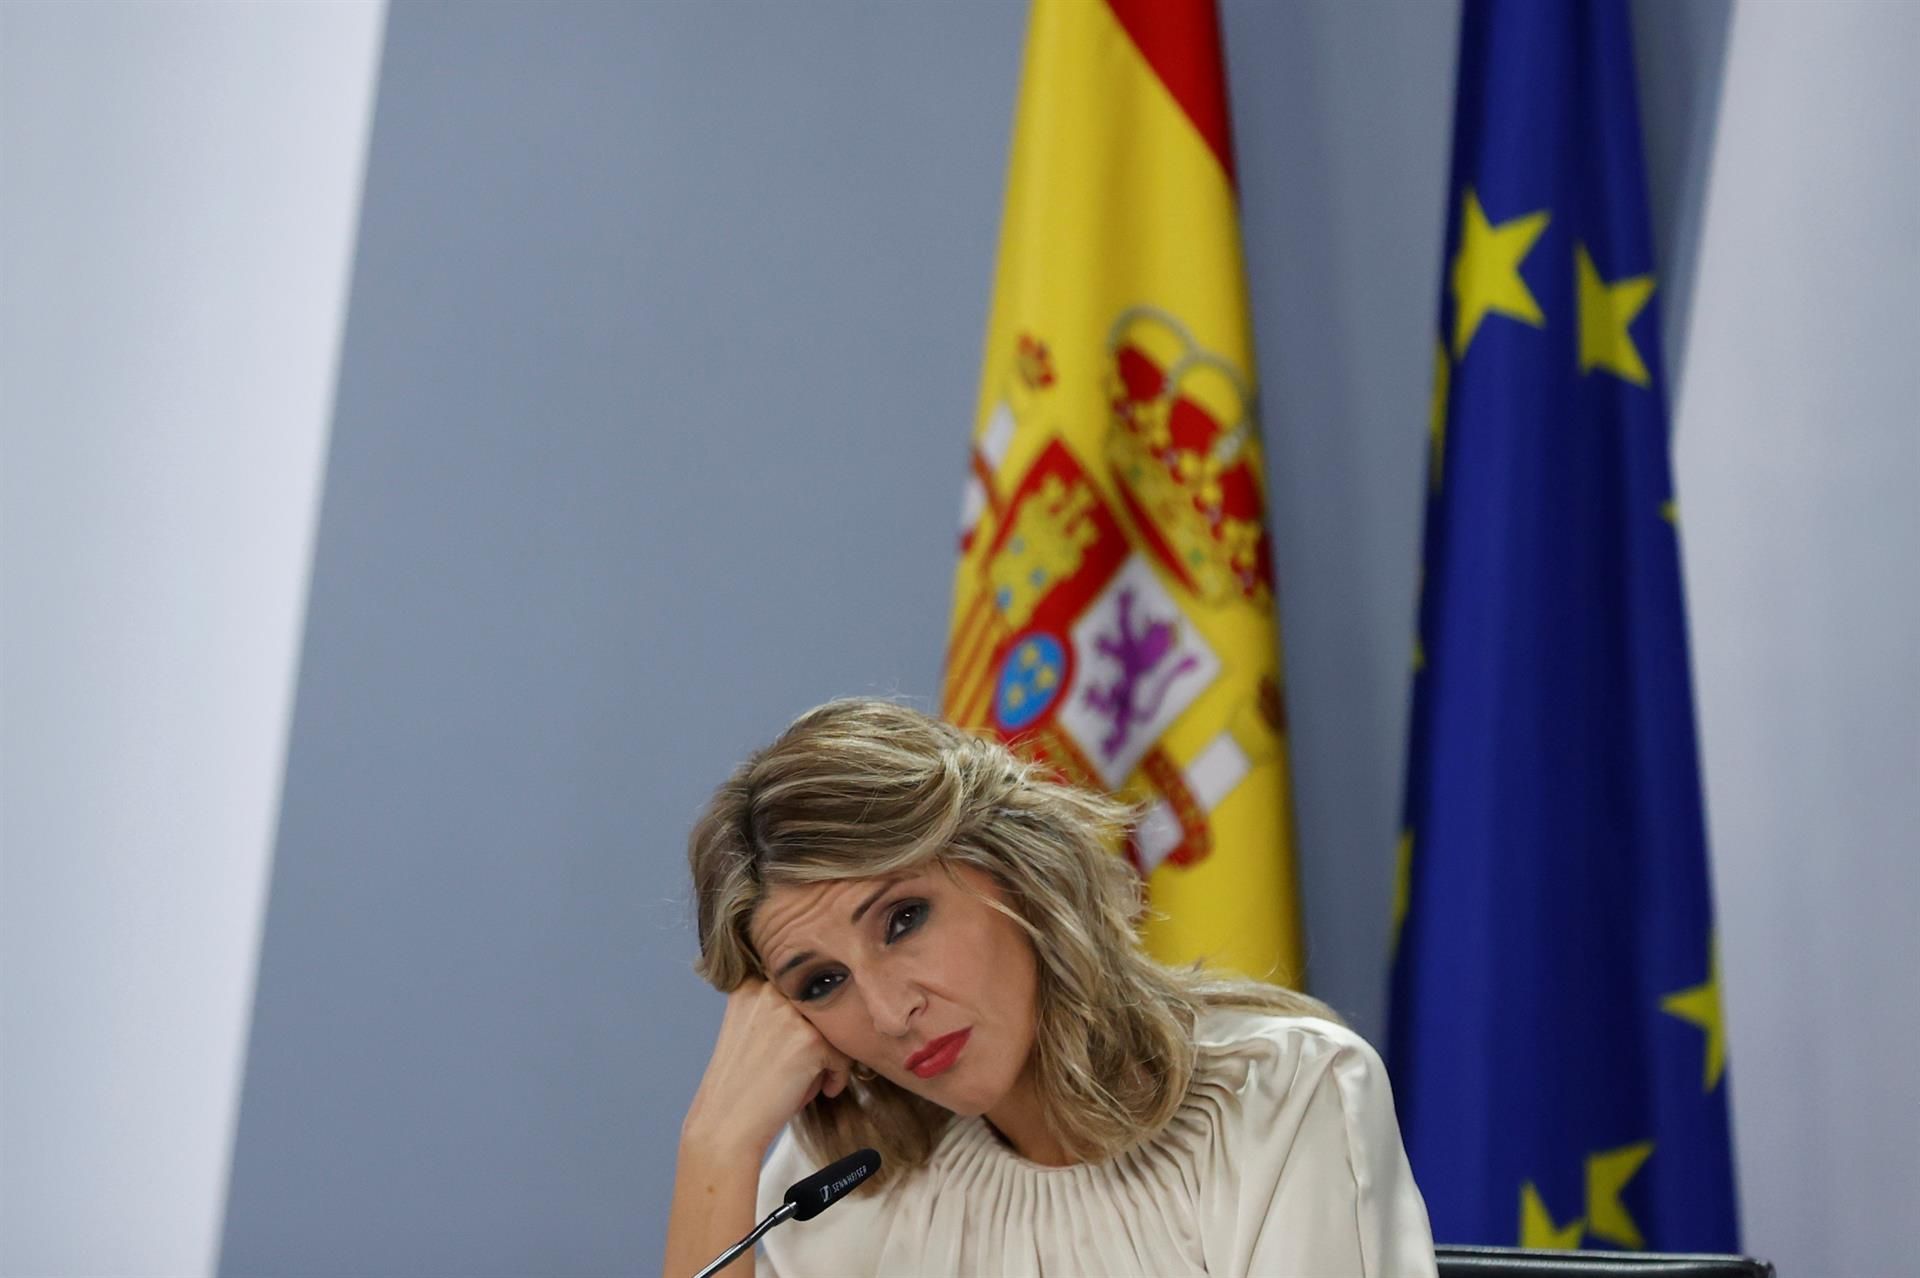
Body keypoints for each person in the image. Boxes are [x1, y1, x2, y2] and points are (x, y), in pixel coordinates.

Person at [664, 699, 1435, 1278]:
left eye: (903, 920)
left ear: (1016, 873)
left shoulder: (1281, 1099)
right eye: (824, 982)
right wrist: (716, 1148)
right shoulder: (834, 1182)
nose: (892, 1013)